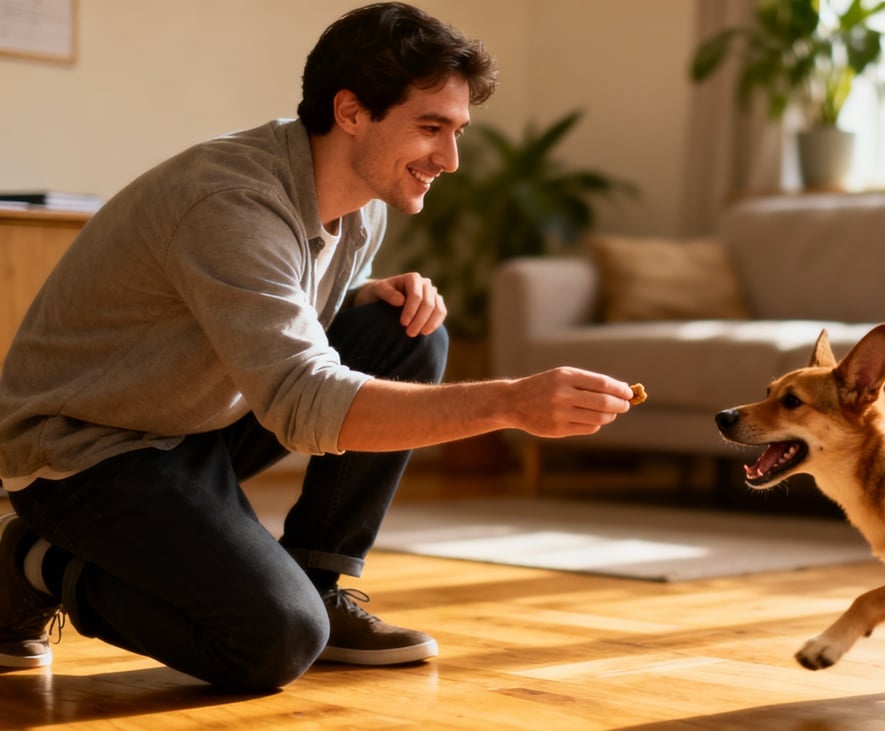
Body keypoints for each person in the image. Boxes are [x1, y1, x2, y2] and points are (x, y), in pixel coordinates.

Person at [0, 2, 634, 691]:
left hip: (189, 425)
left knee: (405, 329)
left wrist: (361, 297)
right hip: (81, 452)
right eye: (431, 128)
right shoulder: (229, 200)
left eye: (456, 132)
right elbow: (305, 399)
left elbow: (285, 311)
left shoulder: (359, 200)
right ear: (352, 111)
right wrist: (510, 401)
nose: (449, 159)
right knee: (274, 640)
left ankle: (318, 576)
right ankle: (29, 561)